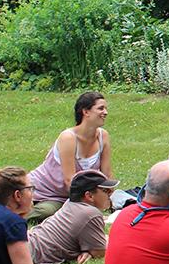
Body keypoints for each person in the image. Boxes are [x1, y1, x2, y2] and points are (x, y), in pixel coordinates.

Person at [28, 91, 113, 222]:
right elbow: (70, 182)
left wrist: (107, 197)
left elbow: (107, 175)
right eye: (101, 108)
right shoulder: (68, 138)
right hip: (45, 190)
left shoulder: (103, 136)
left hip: (70, 196)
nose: (105, 112)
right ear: (86, 112)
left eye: (105, 108)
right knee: (49, 212)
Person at [28, 170, 119, 264]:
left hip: (28, 240)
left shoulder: (70, 203)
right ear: (89, 196)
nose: (110, 194)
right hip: (27, 253)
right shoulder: (90, 213)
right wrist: (95, 248)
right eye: (105, 191)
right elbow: (100, 252)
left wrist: (91, 250)